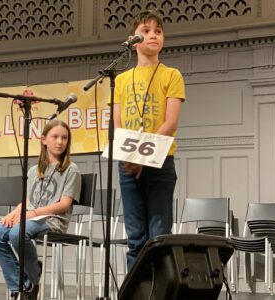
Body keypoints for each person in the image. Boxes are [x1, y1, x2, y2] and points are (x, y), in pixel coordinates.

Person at [113, 10, 186, 271]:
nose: (153, 35)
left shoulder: (172, 75)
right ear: (133, 38)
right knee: (135, 237)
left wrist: (143, 155)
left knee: (158, 236)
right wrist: (130, 157)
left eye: (158, 31)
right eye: (146, 30)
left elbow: (170, 122)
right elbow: (118, 123)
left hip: (160, 161)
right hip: (128, 163)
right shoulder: (121, 79)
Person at [0, 119, 82, 299]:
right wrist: (14, 213)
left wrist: (33, 214)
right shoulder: (33, 170)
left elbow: (64, 204)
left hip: (51, 220)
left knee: (16, 234)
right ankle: (23, 285)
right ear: (44, 140)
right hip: (30, 217)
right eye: (55, 137)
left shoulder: (71, 170)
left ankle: (32, 275)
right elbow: (29, 200)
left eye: (64, 138)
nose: (60, 142)